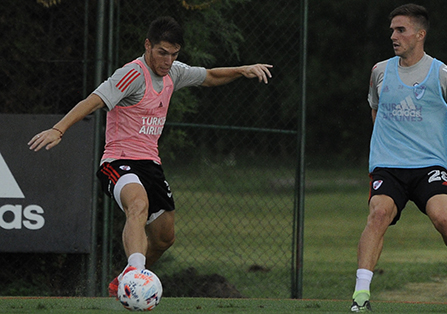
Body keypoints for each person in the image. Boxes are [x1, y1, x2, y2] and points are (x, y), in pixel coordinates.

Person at [28, 16, 273, 297]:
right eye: (162, 52)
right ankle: (135, 273)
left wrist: (243, 70)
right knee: (138, 204)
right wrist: (59, 129)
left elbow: (209, 76)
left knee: (165, 237)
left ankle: (125, 280)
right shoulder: (131, 74)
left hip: (151, 165)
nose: (167, 60)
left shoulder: (174, 72)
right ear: (148, 45)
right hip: (118, 161)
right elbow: (93, 100)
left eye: (174, 54)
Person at [350, 4, 447, 313]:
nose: (393, 36)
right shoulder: (380, 71)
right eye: (392, 30)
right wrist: (388, 147)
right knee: (378, 214)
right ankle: (360, 296)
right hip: (388, 165)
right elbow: (376, 111)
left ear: (420, 35)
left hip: (430, 167)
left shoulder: (442, 74)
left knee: (444, 218)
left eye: (401, 30)